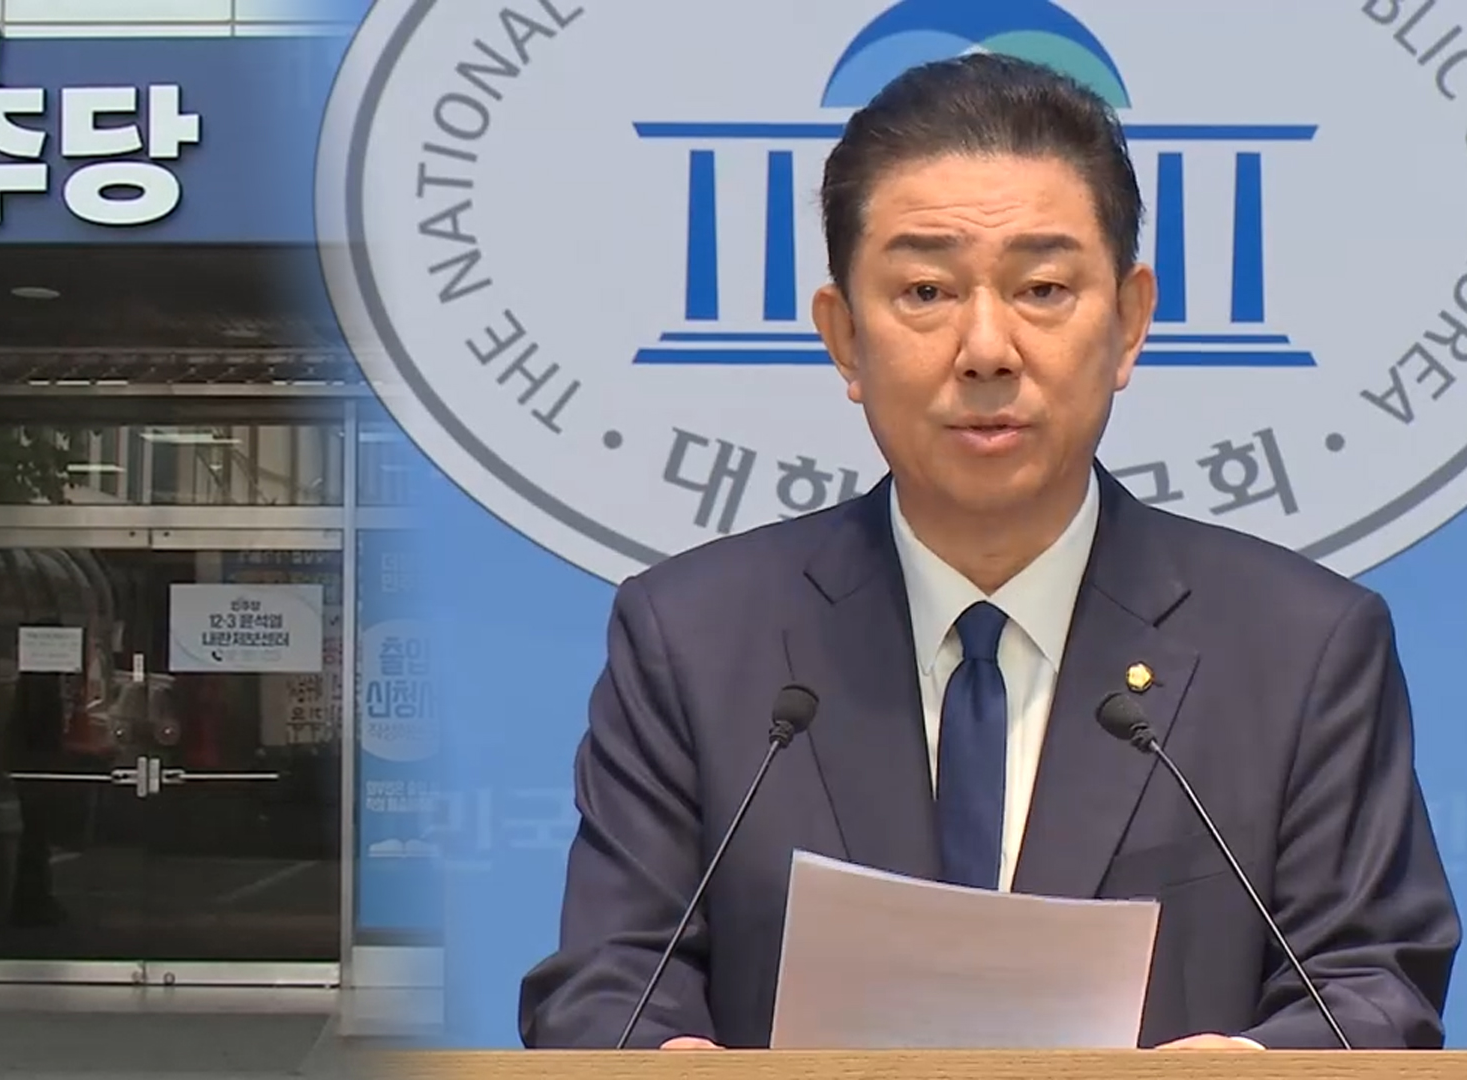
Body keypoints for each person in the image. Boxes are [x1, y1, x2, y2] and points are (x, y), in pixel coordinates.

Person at [517, 54, 1460, 1051]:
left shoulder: (1300, 647)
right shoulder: (697, 641)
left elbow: (1370, 988)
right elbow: (608, 985)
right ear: (843, 336)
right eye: (926, 290)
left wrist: (1251, 1068)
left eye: (1042, 288)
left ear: (1129, 322)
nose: (986, 350)